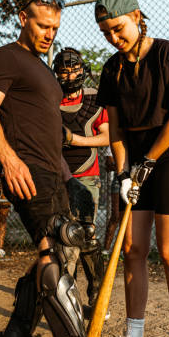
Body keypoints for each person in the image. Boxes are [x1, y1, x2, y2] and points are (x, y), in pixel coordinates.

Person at [0, 0, 123, 337]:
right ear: (23, 17)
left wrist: (65, 177)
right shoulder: (6, 57)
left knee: (50, 250)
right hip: (26, 170)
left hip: (53, 175)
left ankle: (17, 335)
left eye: (54, 27)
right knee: (53, 248)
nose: (49, 33)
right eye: (42, 25)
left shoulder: (41, 68)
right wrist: (8, 159)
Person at [92, 0, 169, 337]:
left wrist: (148, 163)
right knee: (133, 250)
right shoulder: (111, 68)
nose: (114, 38)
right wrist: (123, 174)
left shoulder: (167, 53)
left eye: (118, 29)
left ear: (136, 16)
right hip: (135, 159)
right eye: (106, 33)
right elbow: (115, 129)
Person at [54, 47, 108, 318]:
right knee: (65, 240)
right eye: (64, 70)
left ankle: (97, 295)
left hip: (87, 174)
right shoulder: (50, 99)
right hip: (58, 175)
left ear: (83, 70)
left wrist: (75, 140)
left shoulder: (95, 99)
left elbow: (106, 137)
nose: (70, 74)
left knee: (87, 234)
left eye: (74, 69)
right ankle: (68, 300)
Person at [102, 146, 121, 254]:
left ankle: (123, 248)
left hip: (136, 180)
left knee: (133, 218)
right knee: (116, 216)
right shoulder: (112, 143)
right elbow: (108, 164)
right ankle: (106, 250)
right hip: (119, 180)